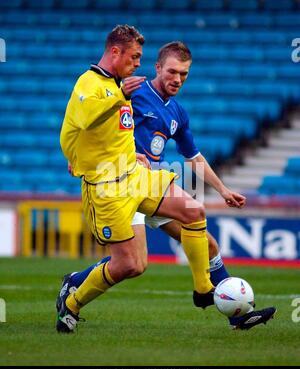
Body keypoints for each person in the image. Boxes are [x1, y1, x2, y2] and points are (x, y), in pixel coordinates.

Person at [57, 38, 276, 332]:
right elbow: (95, 120)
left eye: (184, 74)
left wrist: (223, 190)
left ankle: (232, 312)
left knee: (206, 240)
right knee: (131, 265)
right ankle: (75, 284)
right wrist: (80, 156)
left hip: (149, 186)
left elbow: (193, 156)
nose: (177, 79)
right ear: (158, 68)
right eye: (172, 72)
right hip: (119, 184)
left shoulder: (177, 112)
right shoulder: (133, 91)